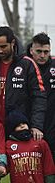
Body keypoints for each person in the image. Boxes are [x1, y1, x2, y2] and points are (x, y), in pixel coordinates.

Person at [27, 32, 55, 162]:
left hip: (51, 122)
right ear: (31, 50)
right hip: (30, 122)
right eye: (39, 51)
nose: (43, 55)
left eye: (46, 52)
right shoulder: (24, 66)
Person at [5, 111, 55, 183]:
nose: (22, 126)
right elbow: (5, 167)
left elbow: (48, 166)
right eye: (18, 125)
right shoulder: (8, 145)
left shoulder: (40, 142)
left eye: (24, 123)